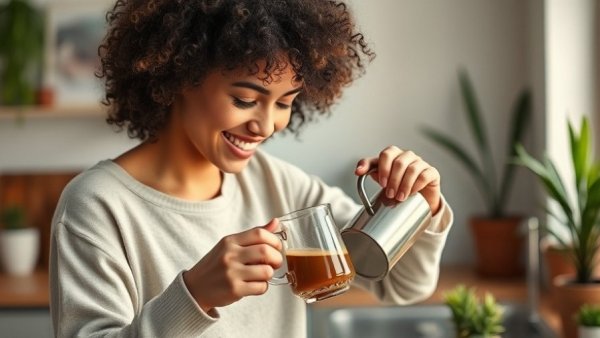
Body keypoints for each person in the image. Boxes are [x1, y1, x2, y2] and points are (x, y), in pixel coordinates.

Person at [49, 0, 453, 337]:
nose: (265, 125)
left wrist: (419, 208)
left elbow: (403, 286)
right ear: (178, 74)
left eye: (284, 102)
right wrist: (193, 296)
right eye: (244, 99)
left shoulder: (283, 187)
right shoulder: (97, 206)